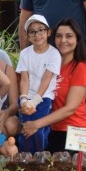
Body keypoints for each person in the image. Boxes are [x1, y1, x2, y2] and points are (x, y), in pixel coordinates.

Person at [21, 19, 86, 153]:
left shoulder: (81, 67)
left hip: (76, 130)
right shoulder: (50, 62)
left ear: (77, 39)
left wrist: (36, 124)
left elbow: (70, 108)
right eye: (59, 36)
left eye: (69, 36)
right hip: (52, 129)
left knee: (63, 170)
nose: (63, 40)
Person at [16, 14, 61, 153]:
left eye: (41, 30)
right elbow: (24, 78)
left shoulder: (54, 54)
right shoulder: (25, 53)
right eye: (32, 32)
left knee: (38, 128)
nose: (37, 35)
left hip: (44, 98)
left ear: (48, 32)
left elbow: (46, 79)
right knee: (25, 127)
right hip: (27, 98)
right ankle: (25, 156)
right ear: (28, 36)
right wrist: (24, 99)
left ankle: (40, 157)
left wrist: (35, 100)